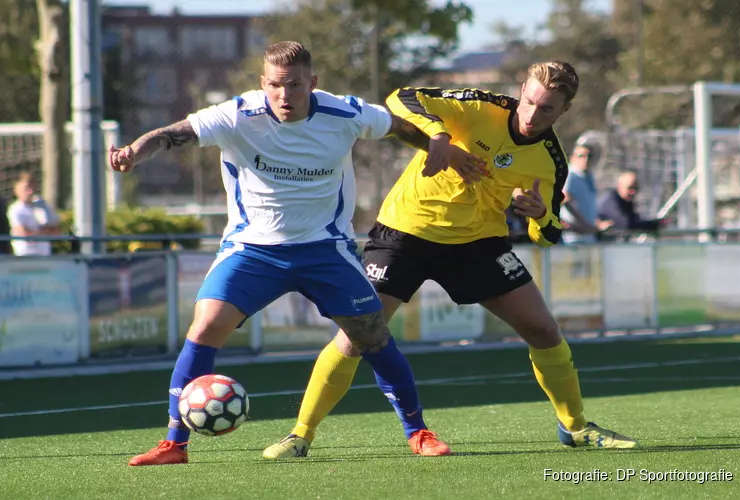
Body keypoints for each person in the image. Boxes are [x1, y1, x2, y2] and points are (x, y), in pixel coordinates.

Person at [112, 41, 484, 467]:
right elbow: (170, 135)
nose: (283, 96)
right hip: (251, 250)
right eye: (274, 86)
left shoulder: (344, 113)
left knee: (372, 336)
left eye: (294, 86)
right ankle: (174, 444)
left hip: (325, 250)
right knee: (205, 327)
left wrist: (439, 144)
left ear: (313, 82)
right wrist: (134, 154)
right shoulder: (236, 114)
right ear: (262, 83)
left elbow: (399, 126)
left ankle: (418, 432)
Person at [263, 61, 638, 460]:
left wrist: (538, 214)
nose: (532, 114)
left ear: (564, 111)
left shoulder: (551, 159)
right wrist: (439, 134)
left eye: (546, 109)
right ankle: (300, 436)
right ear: (520, 91)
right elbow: (401, 98)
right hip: (407, 232)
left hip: (478, 243)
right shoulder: (478, 106)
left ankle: (575, 427)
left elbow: (549, 236)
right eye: (528, 101)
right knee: (358, 335)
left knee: (544, 330)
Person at [560, 142, 613, 243]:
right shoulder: (569, 175)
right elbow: (565, 199)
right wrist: (584, 224)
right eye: (581, 156)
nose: (586, 159)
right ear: (572, 158)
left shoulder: (588, 176)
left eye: (589, 156)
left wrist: (597, 223)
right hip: (574, 237)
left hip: (588, 235)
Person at [597, 169, 666, 235]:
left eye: (636, 188)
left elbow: (635, 222)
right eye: (630, 188)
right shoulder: (610, 203)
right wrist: (655, 224)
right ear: (619, 186)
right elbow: (626, 225)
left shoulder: (626, 201)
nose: (633, 192)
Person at [7, 172, 60, 256]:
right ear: (17, 189)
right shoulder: (15, 209)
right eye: (26, 188)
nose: (30, 192)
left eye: (32, 187)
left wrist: (36, 233)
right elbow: (23, 234)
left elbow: (56, 231)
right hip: (25, 256)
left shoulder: (43, 205)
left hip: (45, 256)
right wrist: (45, 232)